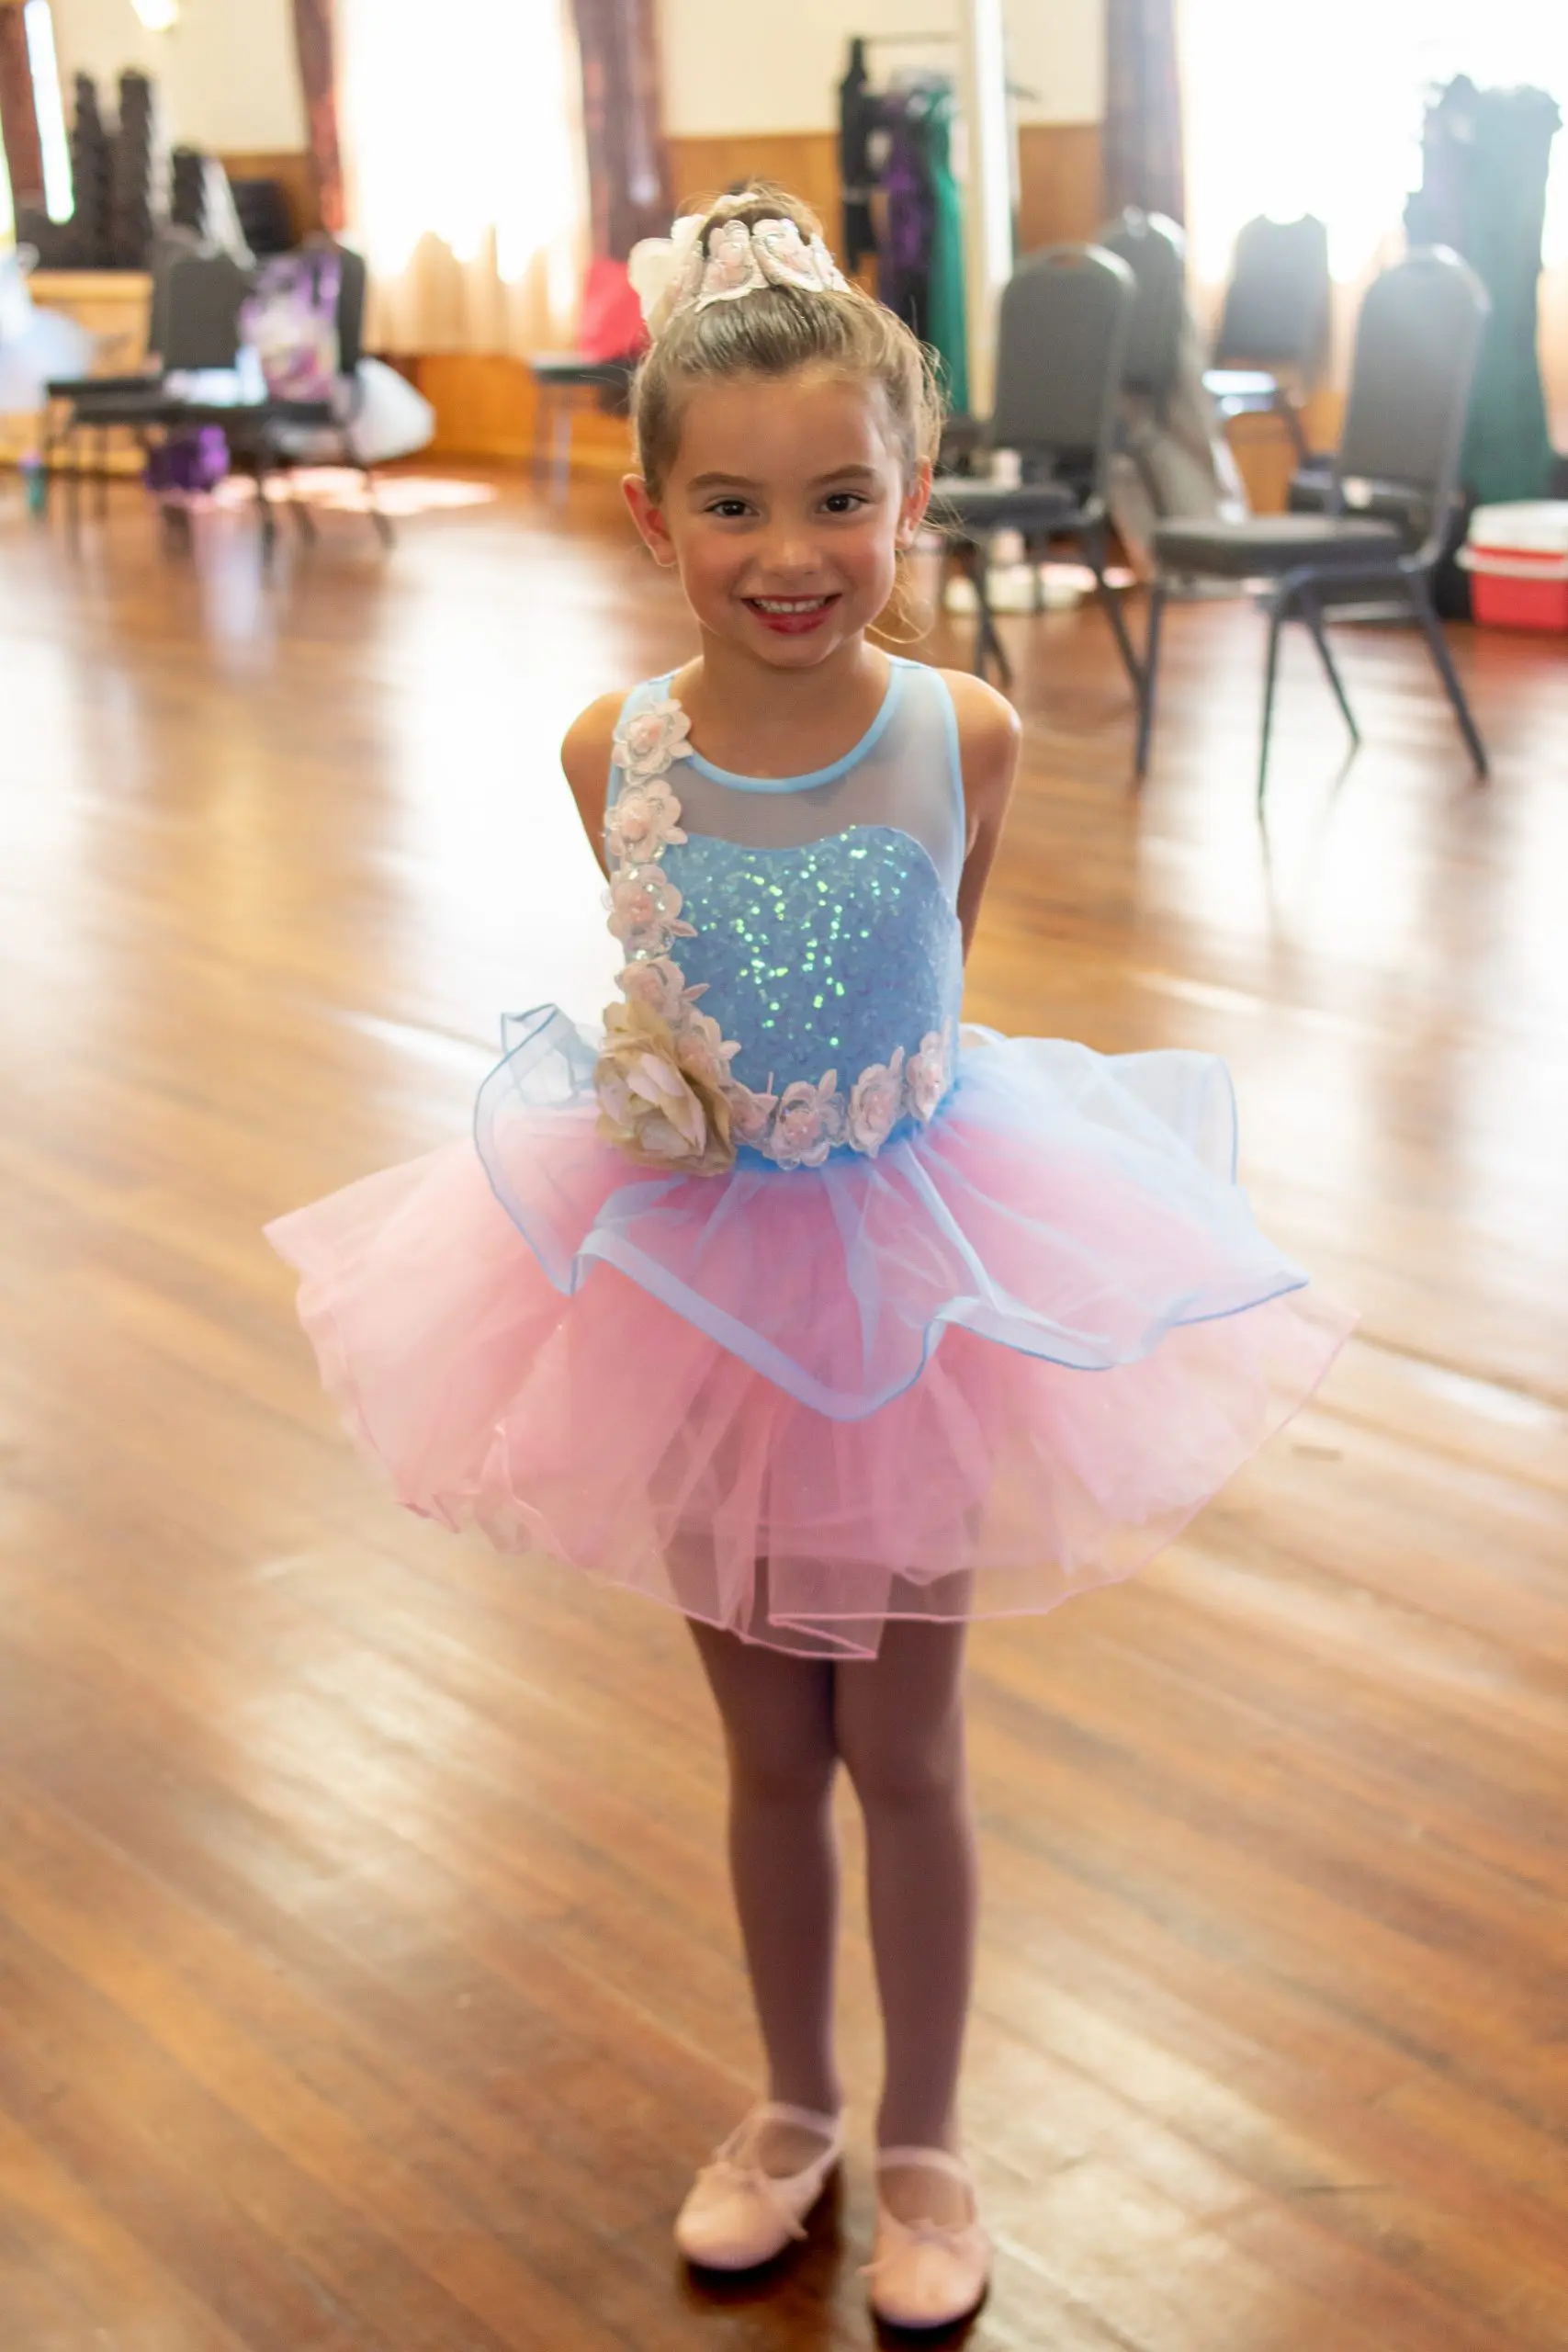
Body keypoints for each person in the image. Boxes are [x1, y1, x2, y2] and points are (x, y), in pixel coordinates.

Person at [266, 185, 1352, 2331]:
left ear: (911, 493)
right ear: (655, 513)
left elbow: (936, 967)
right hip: (685, 1286)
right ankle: (792, 2105)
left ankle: (930, 2134)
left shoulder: (966, 729)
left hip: (914, 1284)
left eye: (841, 499)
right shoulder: (613, 754)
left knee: (910, 1746)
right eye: (736, 504)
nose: (793, 551)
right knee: (767, 1751)